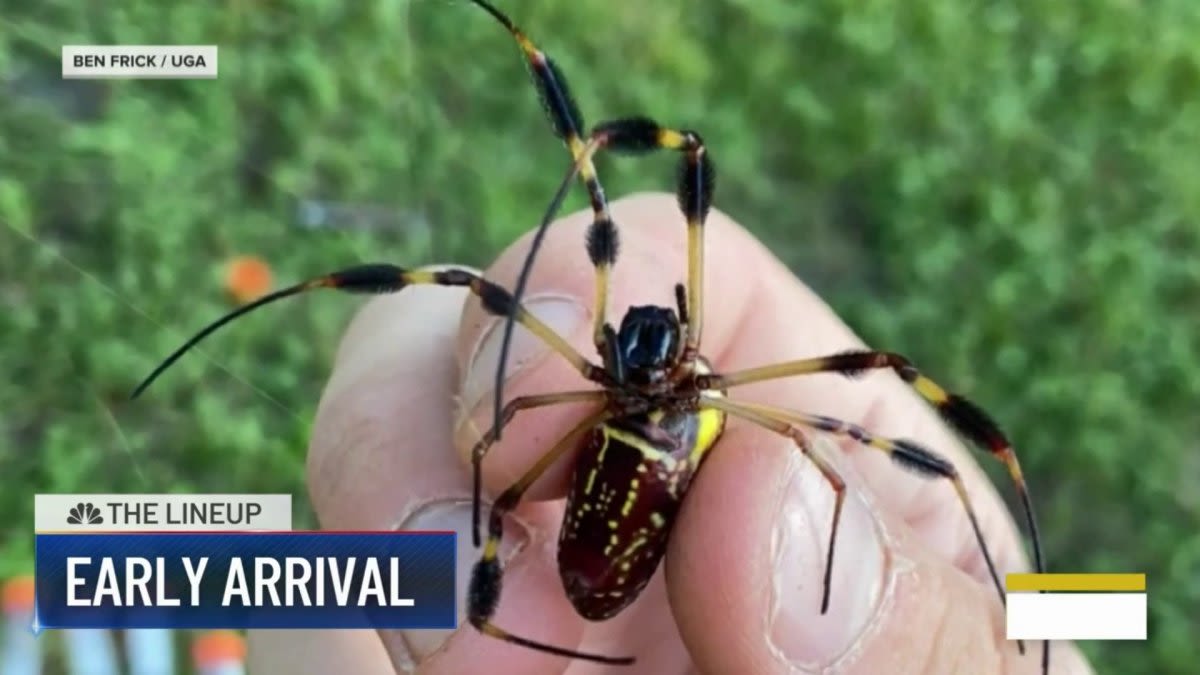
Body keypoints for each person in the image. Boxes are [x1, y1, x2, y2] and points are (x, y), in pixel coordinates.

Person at [246, 193, 1094, 674]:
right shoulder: (619, 389)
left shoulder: (717, 399)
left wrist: (1020, 634)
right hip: (624, 509)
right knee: (480, 349)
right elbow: (484, 432)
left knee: (852, 414)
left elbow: (856, 408)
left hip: (636, 485)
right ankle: (494, 624)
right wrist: (1044, 626)